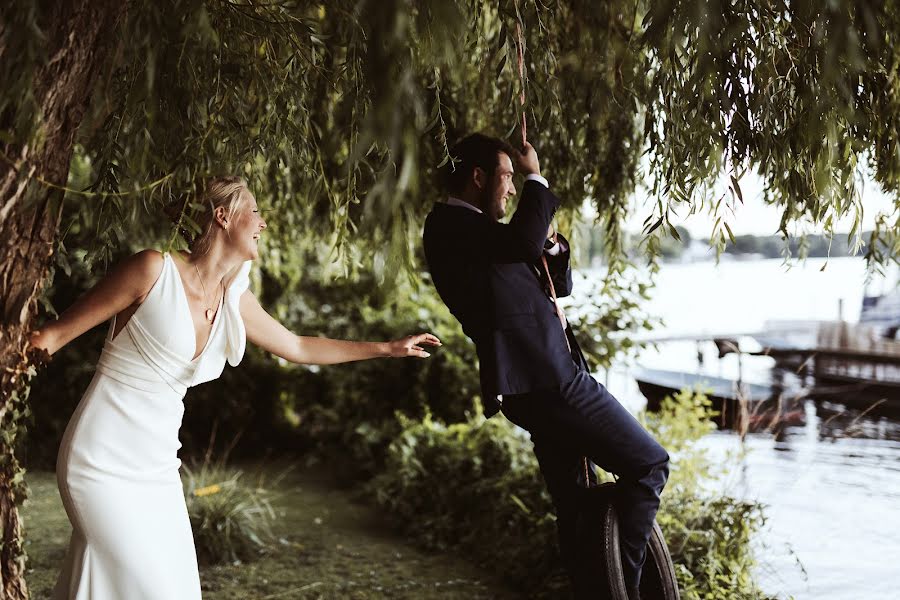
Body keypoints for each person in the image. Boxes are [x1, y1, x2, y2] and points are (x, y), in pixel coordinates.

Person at [29, 176, 441, 600]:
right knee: (140, 583)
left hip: (157, 469)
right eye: (256, 211)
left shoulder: (232, 297)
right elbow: (51, 337)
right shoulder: (152, 269)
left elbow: (297, 346)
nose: (263, 222)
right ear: (223, 216)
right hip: (99, 461)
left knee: (174, 590)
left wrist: (388, 347)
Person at [422, 134, 668, 600]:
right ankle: (626, 593)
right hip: (545, 378)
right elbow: (520, 239)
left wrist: (551, 247)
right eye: (507, 178)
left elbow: (559, 281)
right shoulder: (450, 225)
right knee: (649, 465)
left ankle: (592, 590)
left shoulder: (485, 235)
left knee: (576, 504)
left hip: (543, 377)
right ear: (478, 178)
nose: (512, 189)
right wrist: (536, 176)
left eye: (516, 180)